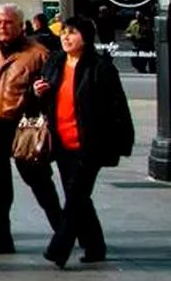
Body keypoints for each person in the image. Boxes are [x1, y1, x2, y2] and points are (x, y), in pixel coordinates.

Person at [34, 16, 134, 267]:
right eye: (64, 32)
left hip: (91, 143)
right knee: (78, 195)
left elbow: (117, 106)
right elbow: (42, 97)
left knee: (76, 195)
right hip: (61, 141)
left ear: (86, 38)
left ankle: (59, 248)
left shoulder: (100, 67)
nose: (66, 37)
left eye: (73, 33)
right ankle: (95, 246)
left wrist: (122, 141)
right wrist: (36, 92)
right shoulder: (55, 62)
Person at [0, 3, 61, 255]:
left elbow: (51, 93)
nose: (2, 26)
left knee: (39, 180)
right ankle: (0, 237)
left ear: (21, 25)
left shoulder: (38, 53)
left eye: (8, 22)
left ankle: (63, 229)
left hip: (25, 124)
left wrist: (38, 95)